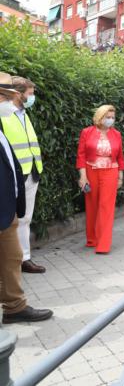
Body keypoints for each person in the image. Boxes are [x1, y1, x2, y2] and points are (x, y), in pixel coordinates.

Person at [0, 73, 53, 323]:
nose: (7, 102)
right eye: (5, 97)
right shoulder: (5, 115)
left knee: (15, 247)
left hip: (20, 186)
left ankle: (15, 305)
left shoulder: (14, 117)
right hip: (7, 193)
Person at [0, 76, 46, 274]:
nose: (32, 97)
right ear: (17, 94)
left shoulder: (23, 113)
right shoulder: (4, 114)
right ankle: (15, 260)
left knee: (25, 219)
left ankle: (23, 258)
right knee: (11, 220)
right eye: (30, 93)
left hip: (30, 172)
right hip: (13, 176)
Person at [76, 105, 124, 254]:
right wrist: (83, 176)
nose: (110, 120)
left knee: (106, 207)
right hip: (91, 171)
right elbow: (81, 155)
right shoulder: (87, 132)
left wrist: (120, 177)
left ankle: (103, 245)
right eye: (107, 117)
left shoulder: (116, 134)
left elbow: (120, 157)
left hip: (111, 171)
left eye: (112, 117)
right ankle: (92, 239)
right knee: (91, 205)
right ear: (99, 117)